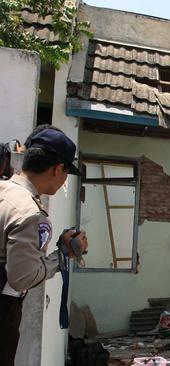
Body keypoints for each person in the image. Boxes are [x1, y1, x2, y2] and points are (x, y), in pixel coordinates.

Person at [0, 126, 89, 365]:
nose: (63, 182)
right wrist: (62, 255)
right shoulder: (29, 213)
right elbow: (22, 278)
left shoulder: (4, 190)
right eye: (66, 174)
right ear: (58, 169)